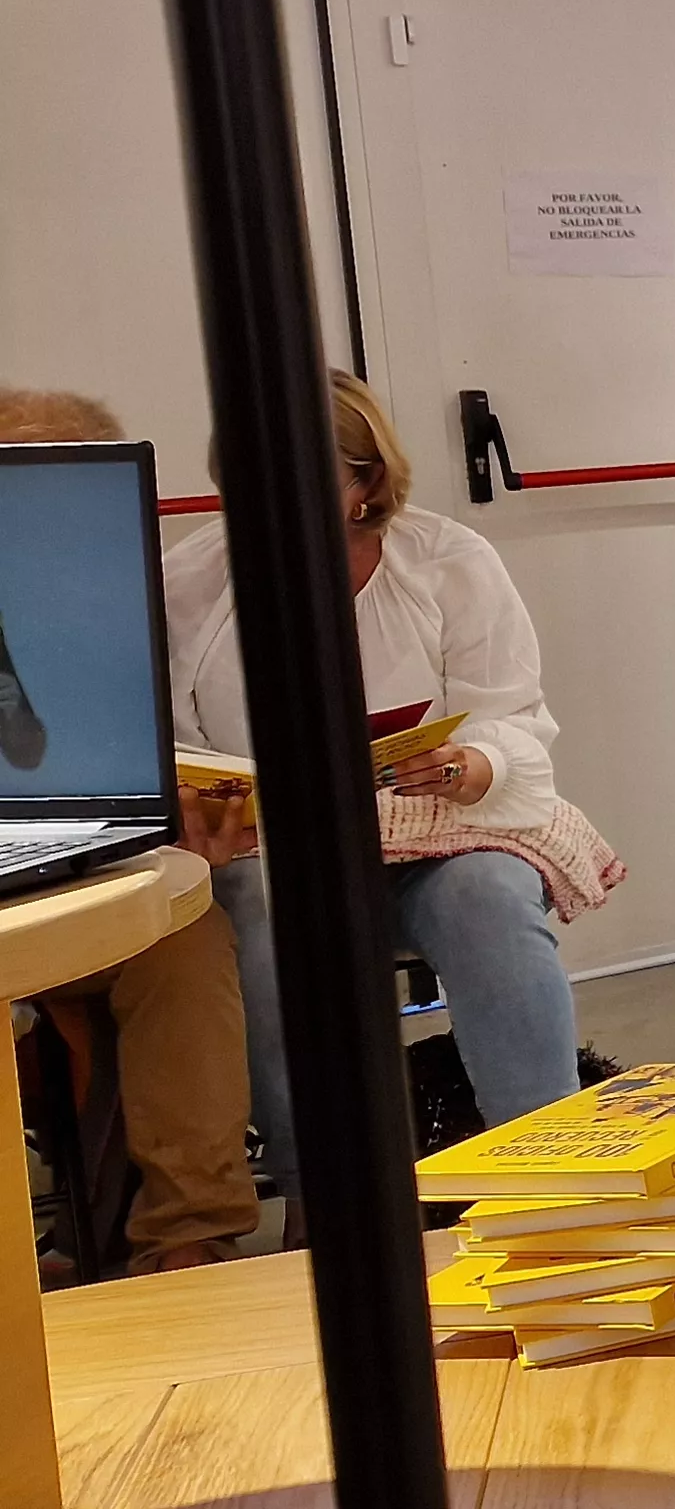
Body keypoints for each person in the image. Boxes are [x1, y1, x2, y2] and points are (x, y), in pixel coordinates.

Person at [176, 372, 615, 1214]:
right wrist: (204, 812)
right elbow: (178, 749)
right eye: (244, 492)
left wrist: (472, 764)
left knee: (490, 890)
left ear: (364, 483)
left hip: (429, 838)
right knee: (252, 912)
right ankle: (326, 1198)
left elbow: (511, 720)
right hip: (273, 858)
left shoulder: (449, 562)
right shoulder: (190, 585)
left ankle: (551, 1178)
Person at [0, 387, 256, 1273]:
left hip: (86, 870)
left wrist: (173, 807)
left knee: (184, 942)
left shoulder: (133, 601)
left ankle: (189, 1240)